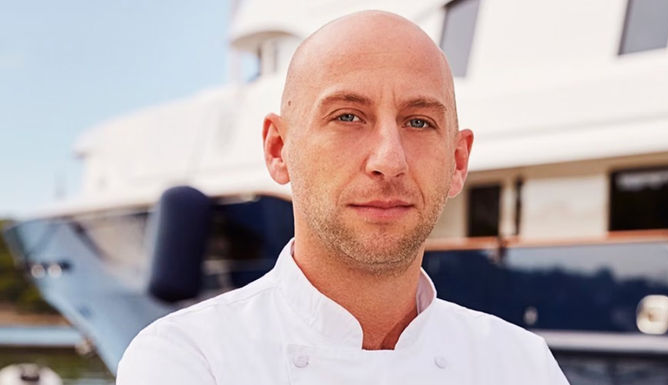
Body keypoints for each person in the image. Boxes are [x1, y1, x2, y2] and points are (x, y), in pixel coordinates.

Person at [117, 10, 570, 384]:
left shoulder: (522, 364)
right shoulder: (188, 360)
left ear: (457, 162)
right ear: (279, 150)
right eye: (348, 116)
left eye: (418, 122)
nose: (388, 160)